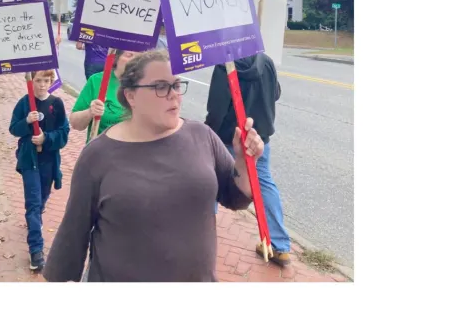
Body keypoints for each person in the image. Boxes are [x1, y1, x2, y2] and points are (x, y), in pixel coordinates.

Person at [43, 49, 265, 282]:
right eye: (160, 87)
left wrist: (244, 160)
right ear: (131, 96)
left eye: (177, 85)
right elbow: (71, 240)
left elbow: (237, 197)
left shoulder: (201, 135)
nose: (174, 95)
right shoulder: (97, 155)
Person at [204, 52, 293, 267]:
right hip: (258, 135)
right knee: (264, 183)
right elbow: (276, 93)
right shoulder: (266, 61)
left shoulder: (224, 63)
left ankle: (205, 240)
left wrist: (208, 131)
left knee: (211, 182)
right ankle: (279, 246)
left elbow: (217, 106)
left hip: (227, 136)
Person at [8, 69, 71, 272]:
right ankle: (36, 250)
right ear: (31, 80)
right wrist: (26, 122)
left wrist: (47, 139)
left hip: (49, 161)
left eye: (46, 80)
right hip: (30, 160)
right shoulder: (25, 103)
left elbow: (64, 131)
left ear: (51, 81)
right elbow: (13, 128)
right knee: (33, 204)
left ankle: (36, 218)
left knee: (43, 197)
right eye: (38, 80)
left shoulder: (56, 104)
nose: (42, 84)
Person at [69, 49, 135, 145]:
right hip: (99, 154)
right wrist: (90, 112)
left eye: (139, 57)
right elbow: (76, 124)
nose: (135, 60)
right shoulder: (97, 81)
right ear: (116, 57)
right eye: (129, 55)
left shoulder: (146, 86)